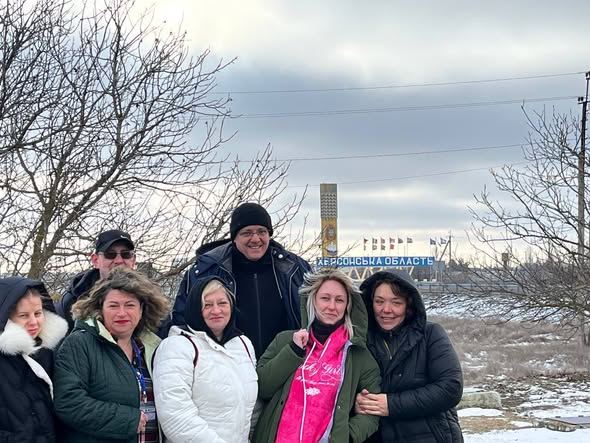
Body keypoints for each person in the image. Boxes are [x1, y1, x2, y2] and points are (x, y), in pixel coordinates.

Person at [253, 268, 381, 443]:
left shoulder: (359, 355)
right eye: (325, 298)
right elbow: (262, 388)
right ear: (312, 300)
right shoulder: (284, 340)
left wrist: (347, 437)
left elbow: (372, 410)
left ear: (348, 306)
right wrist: (293, 351)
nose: (332, 307)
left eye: (339, 300)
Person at [172, 202, 311, 357]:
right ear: (234, 238)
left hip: (285, 361)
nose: (255, 239)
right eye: (247, 233)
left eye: (262, 231)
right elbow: (182, 321)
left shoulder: (295, 269)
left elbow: (316, 316)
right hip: (225, 361)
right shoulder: (206, 271)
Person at [53, 267, 169, 443]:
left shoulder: (152, 347)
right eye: (113, 305)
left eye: (130, 305)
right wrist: (127, 420)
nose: (121, 313)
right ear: (100, 309)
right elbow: (68, 402)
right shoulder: (80, 343)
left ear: (141, 310)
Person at [356, 270, 464, 443]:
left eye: (396, 302)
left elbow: (450, 388)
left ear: (409, 304)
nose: (386, 310)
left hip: (431, 435)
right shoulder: (358, 340)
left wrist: (391, 405)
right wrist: (356, 403)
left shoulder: (431, 334)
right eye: (379, 301)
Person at [153, 276, 258, 442]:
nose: (216, 311)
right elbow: (176, 417)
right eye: (207, 305)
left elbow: (249, 410)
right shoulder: (176, 347)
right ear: (195, 309)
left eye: (222, 303)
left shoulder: (243, 345)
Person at [0, 276, 68, 442]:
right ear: (6, 318)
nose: (34, 322)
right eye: (23, 315)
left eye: (38, 313)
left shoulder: (50, 352)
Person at [55, 229, 137, 330]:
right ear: (95, 260)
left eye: (126, 254)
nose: (119, 261)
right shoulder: (71, 301)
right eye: (110, 254)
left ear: (133, 260)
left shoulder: (149, 299)